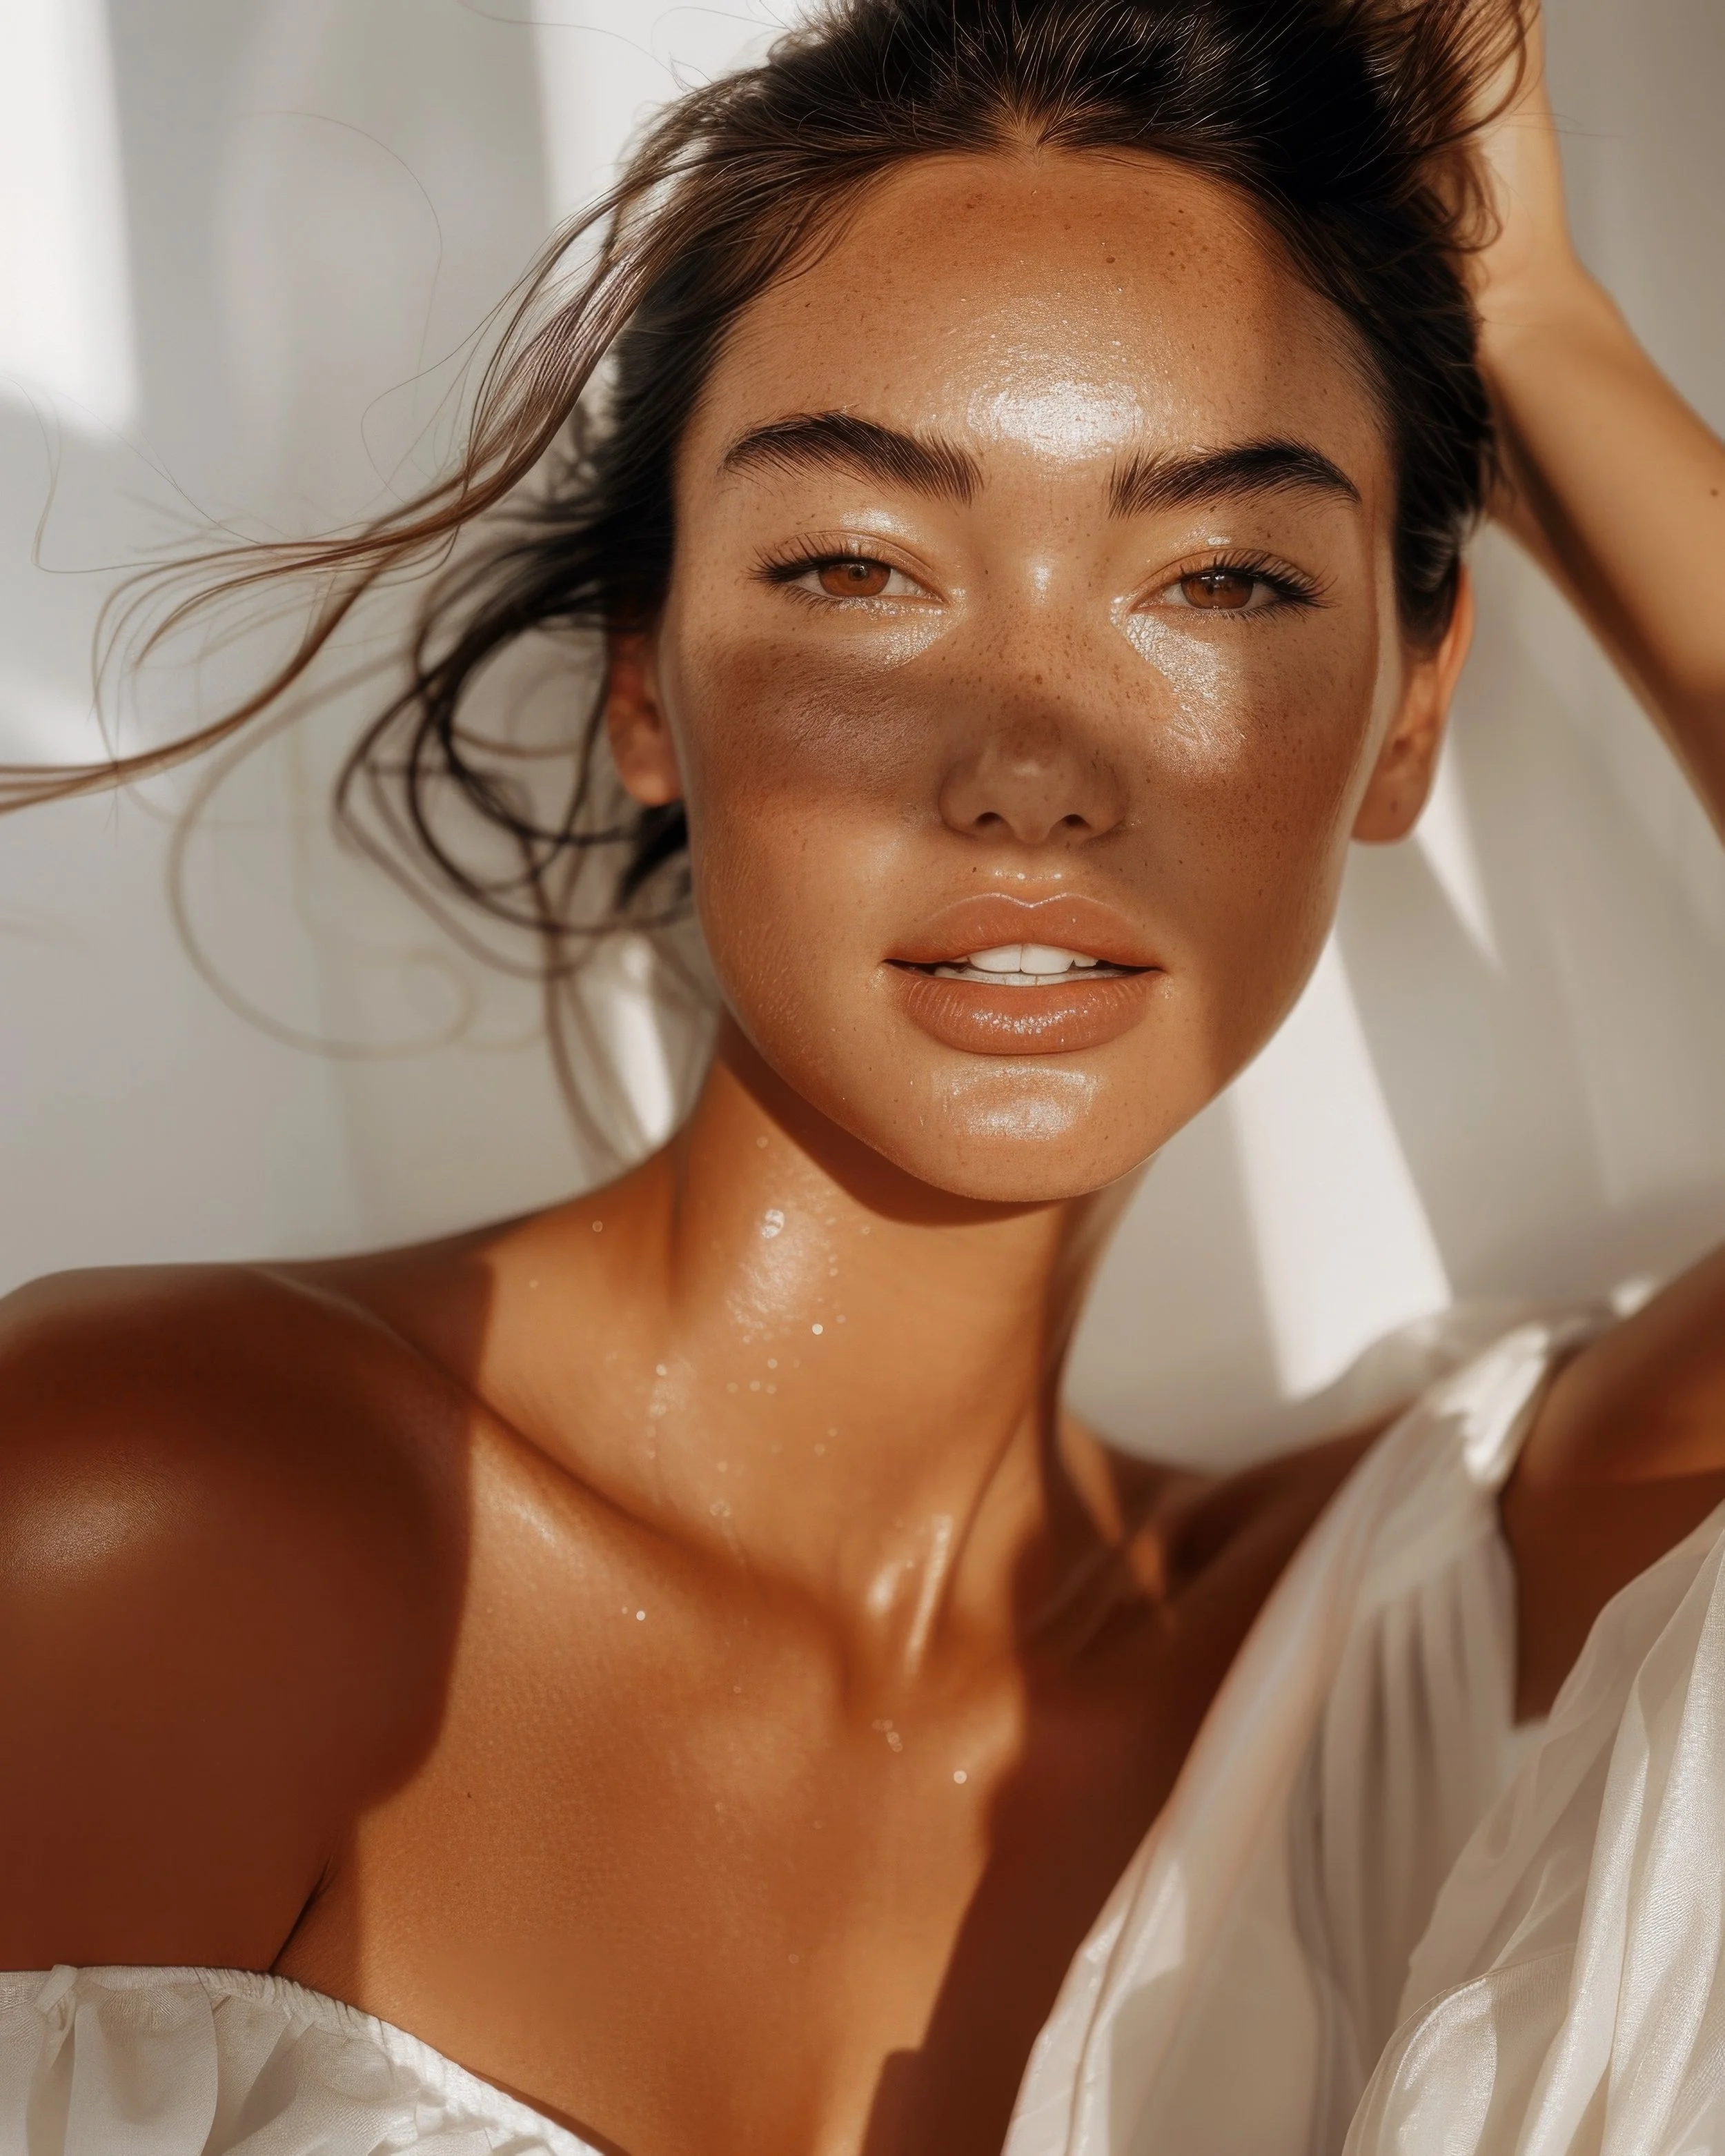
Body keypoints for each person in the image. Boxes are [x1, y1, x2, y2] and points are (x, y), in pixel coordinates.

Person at [3, 0, 1724, 2149]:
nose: (1029, 766)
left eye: (1220, 578)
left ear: (1403, 713)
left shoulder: (1426, 1650)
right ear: (647, 679)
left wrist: (1538, 330)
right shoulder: (168, 1523)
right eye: (853, 568)